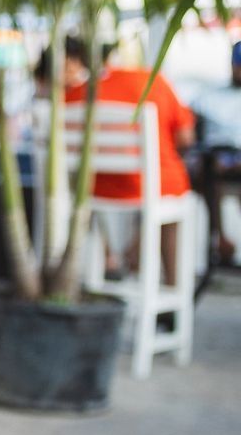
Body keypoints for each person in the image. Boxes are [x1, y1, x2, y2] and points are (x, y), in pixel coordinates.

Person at [55, 36, 196, 281]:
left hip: (95, 188)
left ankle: (116, 257)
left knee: (115, 189)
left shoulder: (73, 96)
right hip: (154, 185)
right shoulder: (152, 80)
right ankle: (172, 284)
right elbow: (186, 139)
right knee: (170, 190)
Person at [191, 41, 241, 265]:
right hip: (215, 161)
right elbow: (194, 133)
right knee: (208, 171)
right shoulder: (211, 95)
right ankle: (220, 239)